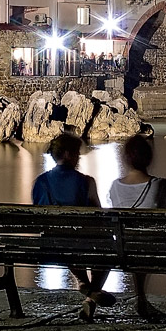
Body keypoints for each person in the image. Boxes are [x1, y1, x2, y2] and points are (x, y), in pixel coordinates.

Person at [30, 131, 112, 318]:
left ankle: (84, 284)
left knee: (66, 241)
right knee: (106, 245)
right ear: (68, 154)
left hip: (49, 246)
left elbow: (38, 218)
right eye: (77, 153)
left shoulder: (40, 182)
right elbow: (98, 216)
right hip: (80, 243)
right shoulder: (86, 182)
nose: (79, 158)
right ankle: (91, 294)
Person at [107, 134, 166, 321]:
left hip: (125, 249)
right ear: (149, 158)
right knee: (144, 241)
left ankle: (141, 298)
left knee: (135, 241)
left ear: (126, 159)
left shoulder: (115, 187)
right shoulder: (161, 185)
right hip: (157, 249)